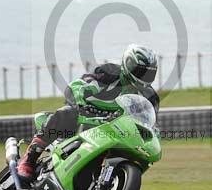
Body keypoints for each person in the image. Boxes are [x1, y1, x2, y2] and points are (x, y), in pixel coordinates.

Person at [16, 44, 160, 179]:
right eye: (140, 71)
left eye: (149, 73)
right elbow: (80, 85)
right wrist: (80, 102)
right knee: (67, 113)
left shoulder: (150, 97)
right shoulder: (110, 72)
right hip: (89, 114)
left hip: (115, 127)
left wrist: (154, 135)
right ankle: (29, 158)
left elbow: (149, 122)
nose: (144, 76)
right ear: (128, 64)